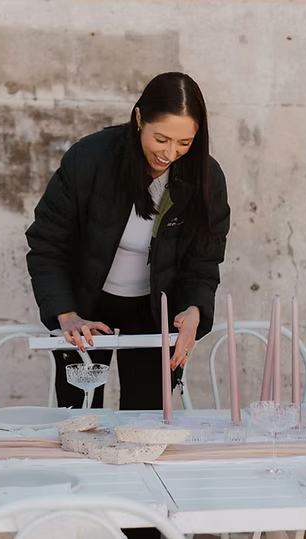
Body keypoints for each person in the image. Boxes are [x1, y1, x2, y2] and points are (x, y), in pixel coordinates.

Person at [26, 72, 230, 411]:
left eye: (184, 143)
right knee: (81, 417)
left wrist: (194, 310)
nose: (170, 153)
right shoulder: (89, 160)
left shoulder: (206, 179)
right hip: (87, 305)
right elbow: (47, 244)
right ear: (139, 118)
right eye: (161, 138)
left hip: (154, 310)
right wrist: (66, 314)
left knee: (146, 420)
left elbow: (202, 261)